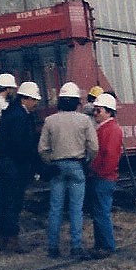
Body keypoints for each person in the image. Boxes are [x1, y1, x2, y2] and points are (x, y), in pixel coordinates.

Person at [37, 81, 99, 258]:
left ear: (60, 100)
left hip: (57, 167)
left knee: (55, 208)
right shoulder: (85, 120)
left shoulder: (50, 121)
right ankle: (76, 246)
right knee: (76, 208)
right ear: (77, 102)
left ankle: (53, 247)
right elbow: (94, 147)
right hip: (77, 165)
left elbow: (42, 149)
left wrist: (51, 162)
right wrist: (86, 161)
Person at [0, 81, 43, 253]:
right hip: (14, 166)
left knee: (5, 201)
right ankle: (11, 239)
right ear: (25, 99)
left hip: (5, 164)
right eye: (34, 99)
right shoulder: (20, 117)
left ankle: (4, 237)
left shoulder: (11, 113)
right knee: (13, 202)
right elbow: (21, 145)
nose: (36, 103)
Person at [88, 92, 122, 257]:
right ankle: (101, 244)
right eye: (94, 110)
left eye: (98, 111)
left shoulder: (111, 130)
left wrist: (98, 172)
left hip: (104, 177)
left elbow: (109, 156)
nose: (95, 114)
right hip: (101, 176)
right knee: (99, 212)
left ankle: (107, 246)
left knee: (101, 212)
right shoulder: (105, 128)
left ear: (109, 111)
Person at [0, 73, 18, 214]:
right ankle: (3, 206)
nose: (13, 91)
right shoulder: (3, 105)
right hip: (4, 141)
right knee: (7, 175)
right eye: (12, 88)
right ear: (7, 89)